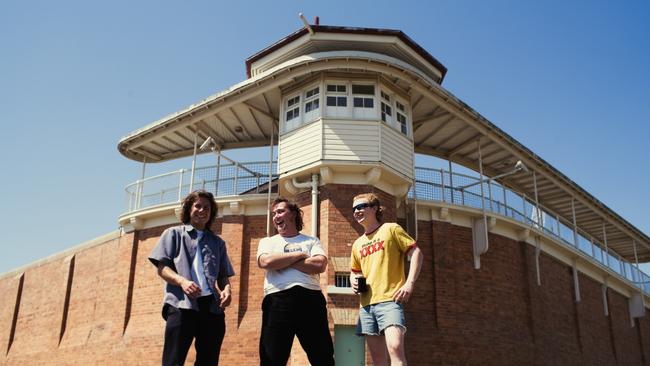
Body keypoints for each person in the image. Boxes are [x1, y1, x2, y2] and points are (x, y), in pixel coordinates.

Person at [149, 190, 235, 366]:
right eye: (198, 206)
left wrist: (227, 289)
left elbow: (223, 276)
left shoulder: (218, 243)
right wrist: (182, 281)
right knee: (173, 361)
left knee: (208, 361)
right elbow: (162, 268)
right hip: (182, 305)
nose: (202, 210)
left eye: (207, 208)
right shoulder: (173, 234)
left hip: (212, 308)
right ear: (189, 209)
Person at [257, 197, 335, 366]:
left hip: (311, 299)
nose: (275, 216)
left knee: (323, 356)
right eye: (273, 213)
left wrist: (282, 262)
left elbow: (320, 264)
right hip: (277, 300)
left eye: (280, 211)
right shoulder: (267, 242)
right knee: (271, 357)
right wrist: (300, 255)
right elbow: (266, 262)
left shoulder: (311, 241)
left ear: (292, 214)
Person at [349, 193, 423, 366]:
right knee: (377, 360)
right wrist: (354, 280)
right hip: (366, 306)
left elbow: (416, 252)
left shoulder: (391, 229)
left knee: (395, 347)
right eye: (354, 209)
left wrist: (409, 283)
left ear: (374, 208)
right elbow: (354, 271)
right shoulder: (357, 244)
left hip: (390, 299)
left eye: (361, 206)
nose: (357, 211)